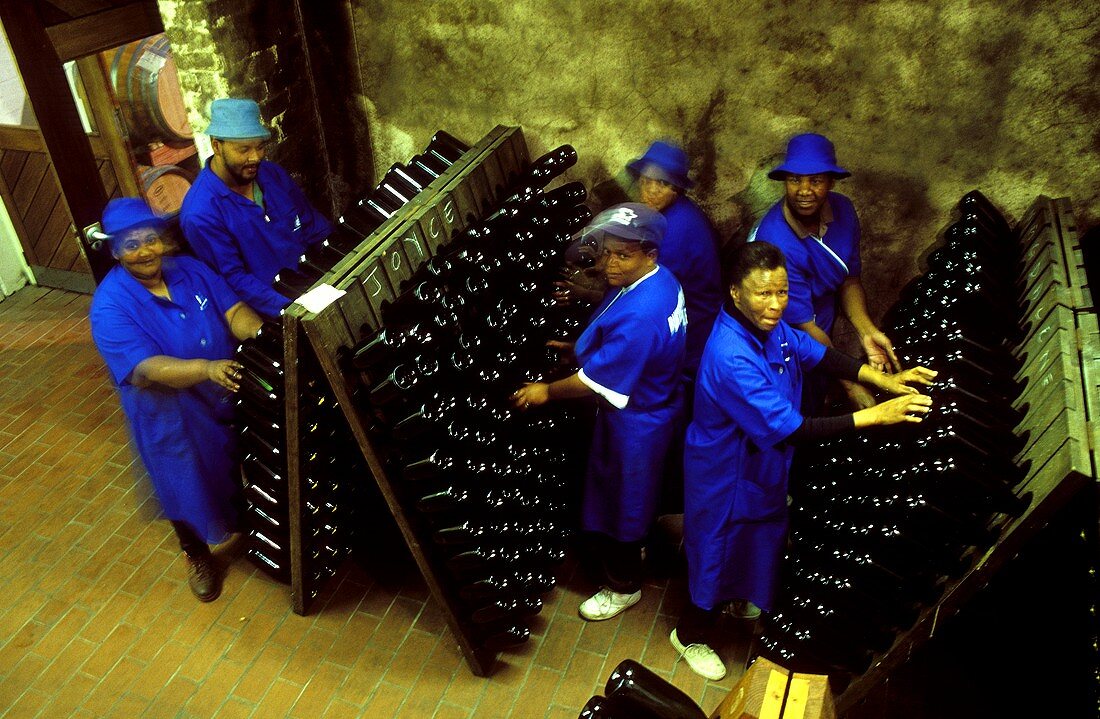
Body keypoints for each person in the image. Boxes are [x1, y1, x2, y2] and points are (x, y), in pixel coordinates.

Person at [670, 241, 936, 681]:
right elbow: (795, 429)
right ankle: (691, 632)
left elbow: (819, 354)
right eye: (763, 294)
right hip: (725, 475)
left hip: (761, 465)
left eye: (782, 292)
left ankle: (737, 595)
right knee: (715, 550)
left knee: (757, 539)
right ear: (735, 293)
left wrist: (885, 380)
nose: (775, 305)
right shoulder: (731, 356)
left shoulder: (769, 326)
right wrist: (877, 414)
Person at [510, 203, 687, 621]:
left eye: (622, 256)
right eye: (607, 251)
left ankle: (623, 586)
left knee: (624, 503)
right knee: (642, 497)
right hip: (657, 405)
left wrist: (547, 392)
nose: (609, 263)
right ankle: (645, 548)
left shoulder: (643, 316)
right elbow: (624, 334)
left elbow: (595, 383)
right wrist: (584, 347)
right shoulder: (662, 282)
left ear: (650, 253)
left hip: (635, 426)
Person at [90, 198, 264, 602]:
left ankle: (253, 529)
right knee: (183, 484)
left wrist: (259, 333)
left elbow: (233, 308)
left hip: (223, 393)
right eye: (131, 245)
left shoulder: (190, 270)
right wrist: (205, 368)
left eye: (150, 239)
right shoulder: (109, 306)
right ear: (115, 251)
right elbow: (147, 368)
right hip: (172, 415)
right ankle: (197, 555)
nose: (145, 251)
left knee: (239, 464)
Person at [749, 133, 899, 410]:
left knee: (816, 392)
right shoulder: (775, 240)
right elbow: (803, 327)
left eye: (815, 180)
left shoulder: (844, 210)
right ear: (785, 181)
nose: (804, 190)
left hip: (821, 319)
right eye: (795, 179)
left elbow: (849, 279)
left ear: (831, 181)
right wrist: (850, 383)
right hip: (788, 332)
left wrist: (866, 331)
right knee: (793, 404)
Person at [180, 98, 332, 320]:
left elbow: (312, 224)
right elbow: (235, 281)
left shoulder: (271, 174)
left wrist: (338, 260)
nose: (256, 157)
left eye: (260, 146)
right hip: (277, 312)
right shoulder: (201, 214)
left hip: (317, 284)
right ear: (216, 146)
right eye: (243, 149)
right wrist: (293, 310)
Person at [626, 140, 723, 376]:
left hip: (694, 330)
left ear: (676, 189)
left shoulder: (676, 229)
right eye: (646, 180)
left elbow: (644, 289)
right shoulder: (668, 214)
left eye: (662, 183)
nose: (651, 189)